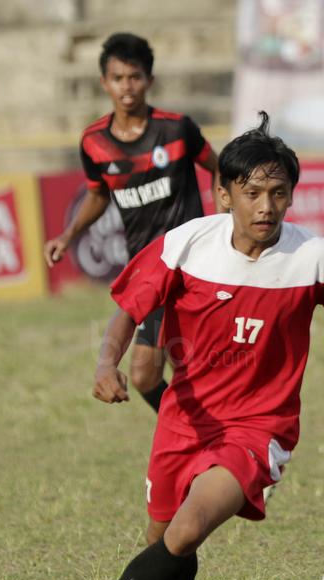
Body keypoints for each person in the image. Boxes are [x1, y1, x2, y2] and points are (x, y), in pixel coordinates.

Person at [66, 112, 324, 580]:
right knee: (163, 544)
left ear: (292, 196)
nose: (266, 206)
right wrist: (106, 363)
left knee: (185, 530)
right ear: (224, 194)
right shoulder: (188, 245)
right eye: (252, 192)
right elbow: (128, 310)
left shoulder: (316, 257)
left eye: (278, 193)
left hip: (258, 428)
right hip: (184, 420)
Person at [43, 32, 220, 413]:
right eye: (118, 77)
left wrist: (225, 223)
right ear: (104, 82)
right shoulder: (93, 142)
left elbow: (219, 168)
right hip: (149, 271)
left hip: (194, 264)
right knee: (144, 376)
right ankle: (197, 440)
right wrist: (69, 234)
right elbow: (97, 194)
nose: (127, 86)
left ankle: (217, 450)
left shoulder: (176, 129)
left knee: (194, 368)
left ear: (149, 81)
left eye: (135, 77)